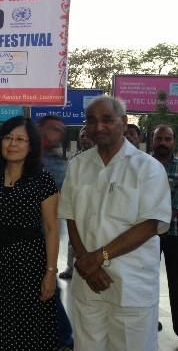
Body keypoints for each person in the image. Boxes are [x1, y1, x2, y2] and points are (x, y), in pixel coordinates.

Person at [59, 95, 171, 351]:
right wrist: (86, 263)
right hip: (88, 282)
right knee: (87, 346)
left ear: (123, 121)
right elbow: (71, 216)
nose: (98, 126)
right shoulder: (78, 166)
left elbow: (150, 224)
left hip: (131, 284)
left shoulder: (148, 167)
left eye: (107, 119)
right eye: (91, 120)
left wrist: (98, 257)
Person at [0, 116, 59, 350]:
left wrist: (51, 273)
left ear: (31, 146)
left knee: (30, 328)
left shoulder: (42, 180)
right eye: (8, 138)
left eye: (20, 139)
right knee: (1, 327)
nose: (12, 144)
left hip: (31, 264)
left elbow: (51, 228)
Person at [37, 115, 74, 350]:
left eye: (60, 130)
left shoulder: (57, 162)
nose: (56, 134)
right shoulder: (28, 153)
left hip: (43, 233)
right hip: (16, 233)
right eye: (52, 129)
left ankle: (64, 337)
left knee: (48, 282)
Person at [152, 124, 178, 336]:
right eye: (159, 139)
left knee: (176, 282)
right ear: (153, 141)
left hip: (174, 234)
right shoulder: (143, 165)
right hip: (145, 236)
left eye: (167, 139)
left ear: (174, 142)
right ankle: (148, 321)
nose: (163, 143)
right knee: (146, 280)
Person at [60, 125, 94, 279]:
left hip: (94, 206)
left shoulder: (101, 158)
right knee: (73, 239)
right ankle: (70, 268)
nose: (85, 139)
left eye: (88, 136)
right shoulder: (74, 159)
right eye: (82, 136)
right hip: (77, 205)